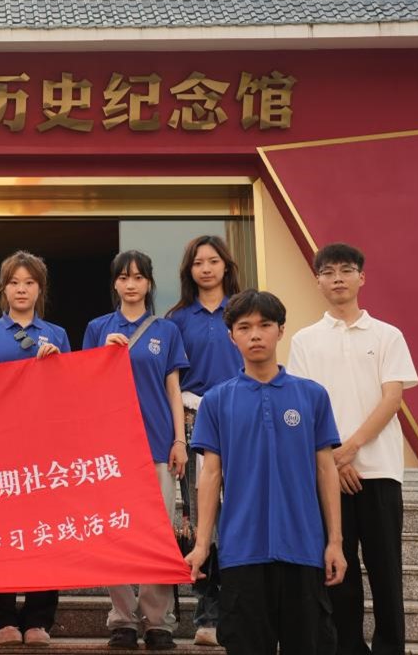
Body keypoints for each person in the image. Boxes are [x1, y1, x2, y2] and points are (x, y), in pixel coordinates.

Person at [185, 290, 345, 655]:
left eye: (265, 325)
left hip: (303, 549)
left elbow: (326, 469)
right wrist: (202, 544)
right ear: (232, 336)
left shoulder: (312, 396)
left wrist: (334, 541)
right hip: (242, 552)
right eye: (244, 327)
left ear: (281, 330)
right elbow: (210, 475)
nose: (255, 335)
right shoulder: (216, 401)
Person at [288, 243, 418, 655]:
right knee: (338, 571)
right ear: (318, 281)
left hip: (380, 470)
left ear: (362, 277)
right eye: (328, 272)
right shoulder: (305, 341)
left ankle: (390, 648)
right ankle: (348, 648)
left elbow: (392, 399)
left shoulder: (387, 335)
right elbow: (305, 406)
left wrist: (349, 450)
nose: (337, 279)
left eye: (346, 270)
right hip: (329, 474)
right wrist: (333, 460)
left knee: (386, 570)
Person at [0, 250, 71, 648]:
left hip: (43, 451)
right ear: (3, 289)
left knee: (45, 534)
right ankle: (2, 618)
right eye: (13, 282)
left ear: (40, 289)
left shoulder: (56, 334)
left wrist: (57, 366)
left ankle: (40, 617)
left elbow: (72, 392)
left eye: (29, 282)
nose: (21, 289)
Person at [84, 251, 188, 651]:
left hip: (157, 442)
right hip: (110, 449)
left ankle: (158, 622)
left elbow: (173, 390)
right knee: (116, 532)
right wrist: (103, 356)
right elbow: (84, 386)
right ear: (115, 283)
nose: (131, 284)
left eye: (138, 277)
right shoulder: (97, 328)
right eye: (124, 277)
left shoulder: (167, 330)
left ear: (149, 283)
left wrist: (179, 441)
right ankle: (123, 619)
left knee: (157, 532)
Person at [165, 235, 243, 646]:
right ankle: (207, 616)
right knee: (202, 520)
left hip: (242, 417)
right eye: (199, 263)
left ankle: (241, 610)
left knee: (242, 514)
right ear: (189, 271)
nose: (207, 268)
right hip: (195, 422)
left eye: (214, 261)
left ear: (226, 265)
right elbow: (170, 383)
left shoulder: (244, 310)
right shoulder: (177, 319)